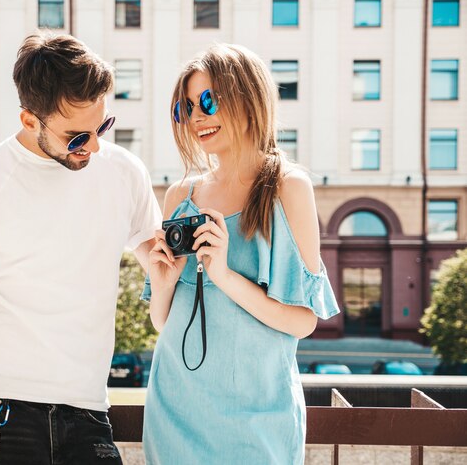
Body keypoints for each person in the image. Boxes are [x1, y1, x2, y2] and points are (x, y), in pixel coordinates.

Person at [0, 31, 161, 465]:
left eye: (102, 127)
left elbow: (161, 264)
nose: (93, 146)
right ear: (30, 120)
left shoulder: (126, 172)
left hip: (90, 409)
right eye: (76, 137)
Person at [142, 43, 340, 464]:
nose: (197, 117)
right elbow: (164, 321)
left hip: (259, 417)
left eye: (208, 101)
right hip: (174, 408)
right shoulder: (180, 195)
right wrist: (163, 283)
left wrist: (226, 276)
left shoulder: (288, 187)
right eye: (185, 107)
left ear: (247, 97)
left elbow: (303, 321)